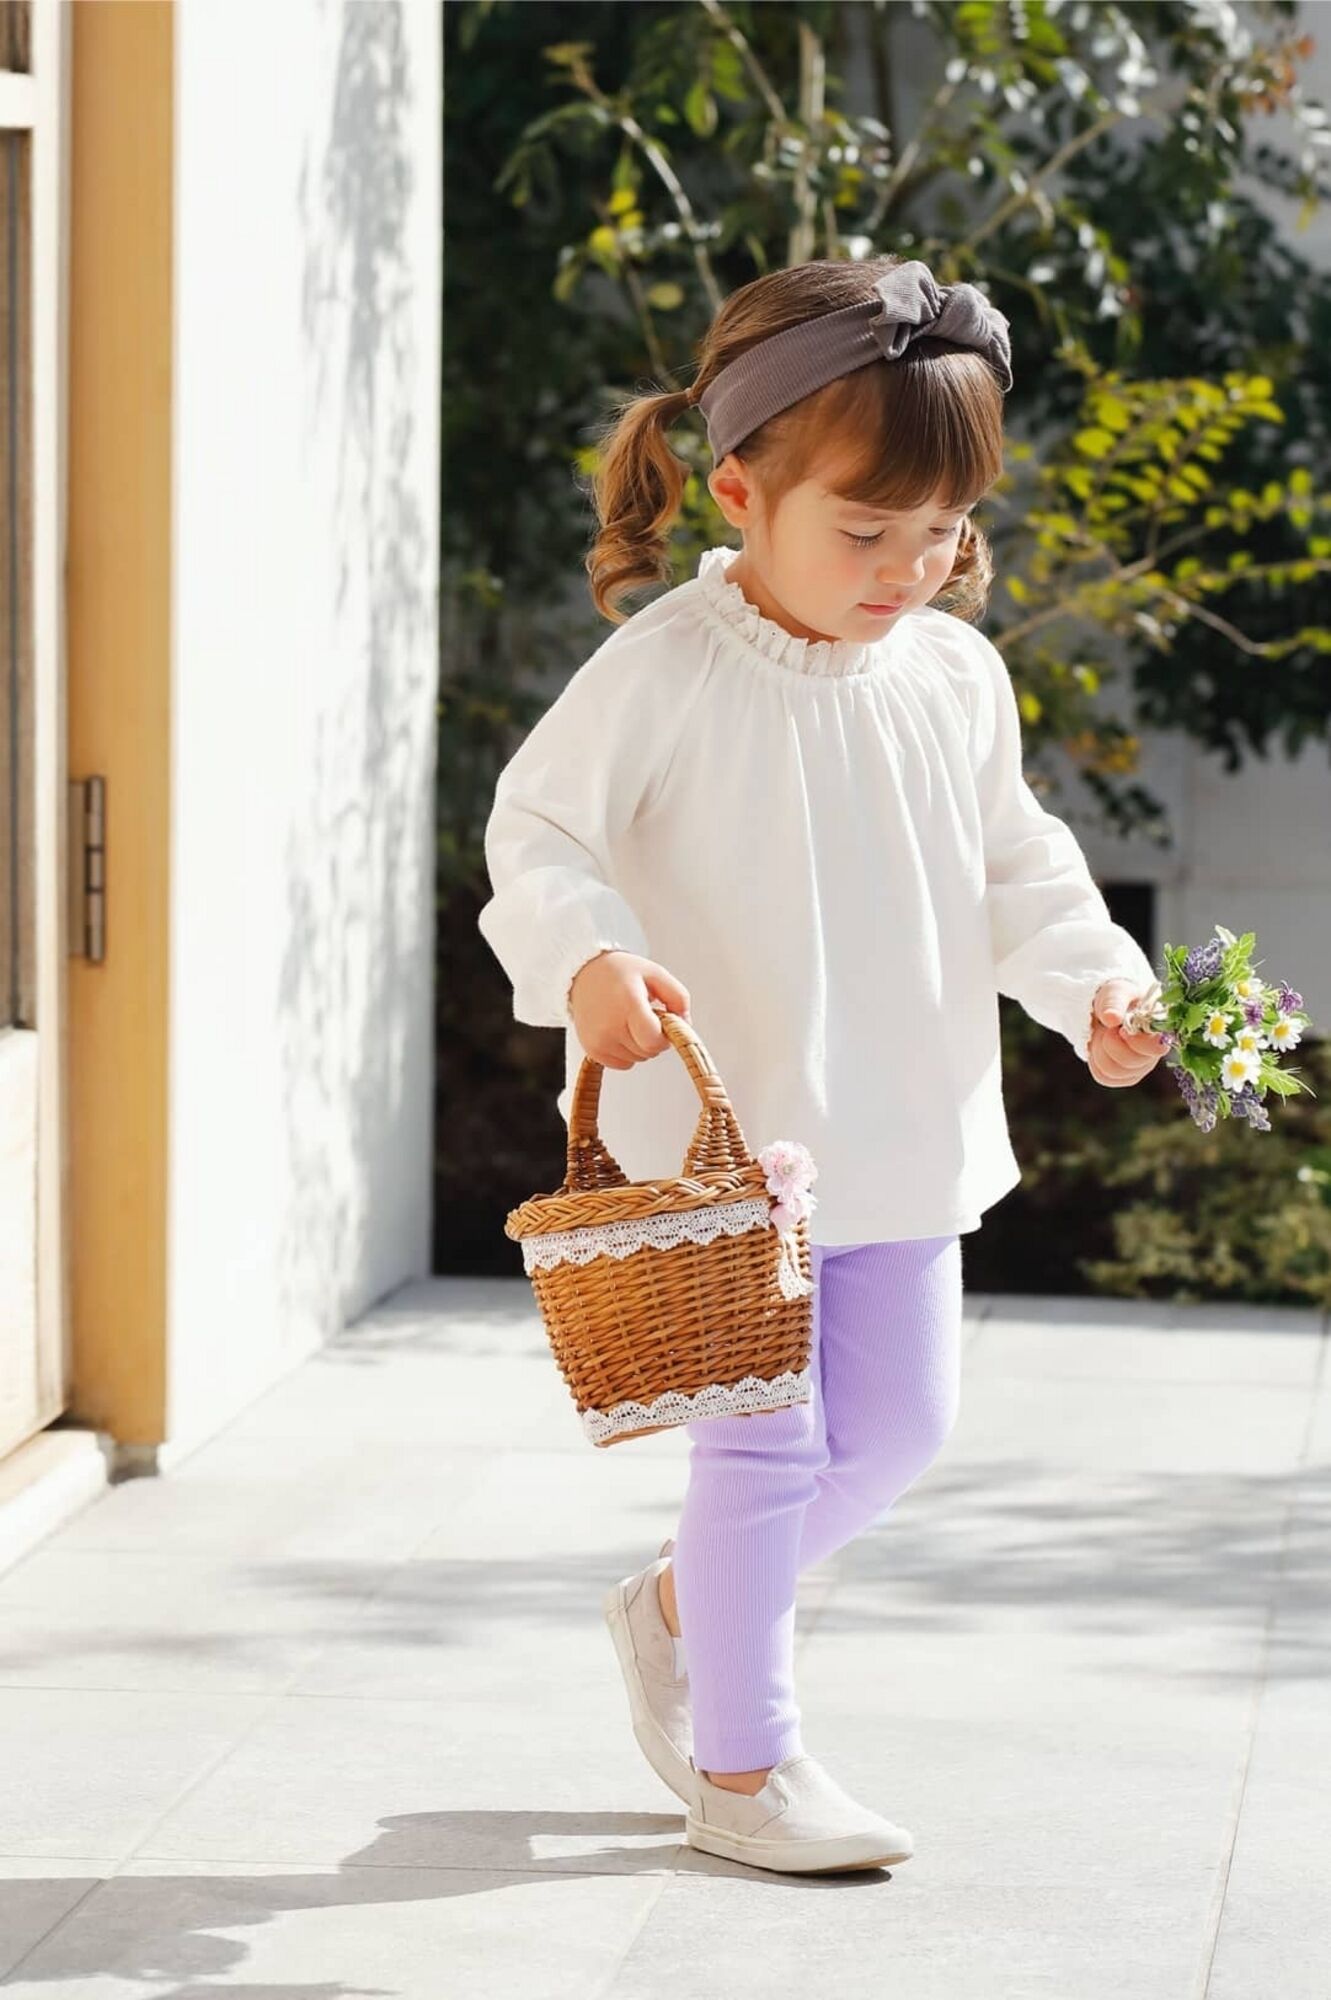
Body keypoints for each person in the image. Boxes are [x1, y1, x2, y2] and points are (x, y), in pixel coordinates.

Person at [476, 255, 1168, 1876]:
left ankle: (676, 1610)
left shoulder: (952, 673)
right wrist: (587, 957)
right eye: (866, 533)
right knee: (767, 1446)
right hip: (730, 1144)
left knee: (902, 1432)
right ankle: (744, 1764)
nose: (908, 571)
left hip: (901, 1120)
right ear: (738, 485)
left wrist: (1100, 991)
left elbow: (1023, 868)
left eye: (940, 535)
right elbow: (539, 829)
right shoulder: (670, 665)